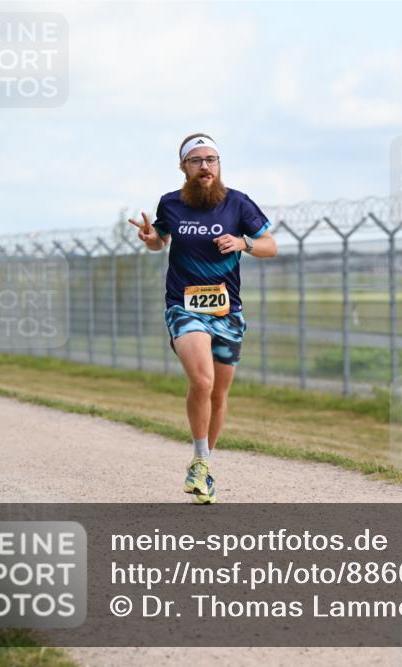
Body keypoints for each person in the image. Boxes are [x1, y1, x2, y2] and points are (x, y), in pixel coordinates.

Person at [129, 133, 277, 504]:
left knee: (220, 394)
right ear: (184, 168)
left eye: (211, 159)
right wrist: (150, 237)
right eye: (196, 161)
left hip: (227, 311)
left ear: (219, 164)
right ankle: (200, 460)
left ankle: (203, 466)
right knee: (203, 379)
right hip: (184, 306)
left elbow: (270, 246)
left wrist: (243, 243)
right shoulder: (172, 204)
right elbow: (159, 240)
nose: (205, 166)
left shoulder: (238, 204)